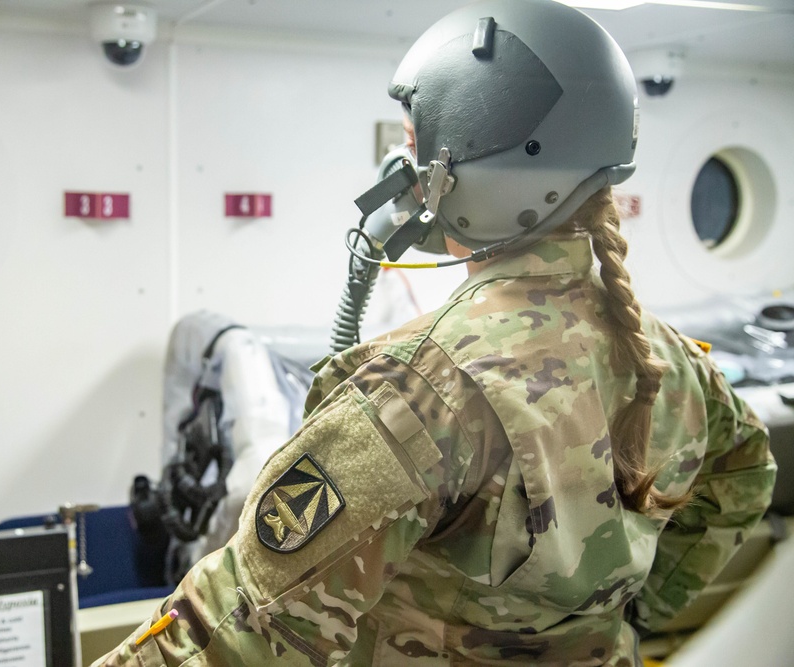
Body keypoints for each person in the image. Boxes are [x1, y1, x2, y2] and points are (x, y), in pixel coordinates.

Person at [94, 0, 776, 664]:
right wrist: (632, 611)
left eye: (417, 152)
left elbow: (237, 624)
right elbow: (746, 474)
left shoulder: (422, 388)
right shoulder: (672, 359)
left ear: (478, 171)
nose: (408, 178)